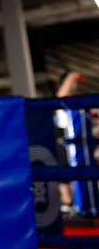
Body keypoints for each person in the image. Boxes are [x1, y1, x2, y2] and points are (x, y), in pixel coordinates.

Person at [54, 71, 83, 211]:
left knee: (77, 173)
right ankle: (67, 203)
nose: (75, 85)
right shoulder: (63, 100)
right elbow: (61, 95)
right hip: (64, 140)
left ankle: (75, 205)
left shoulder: (75, 102)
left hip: (77, 140)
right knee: (64, 172)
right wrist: (72, 76)